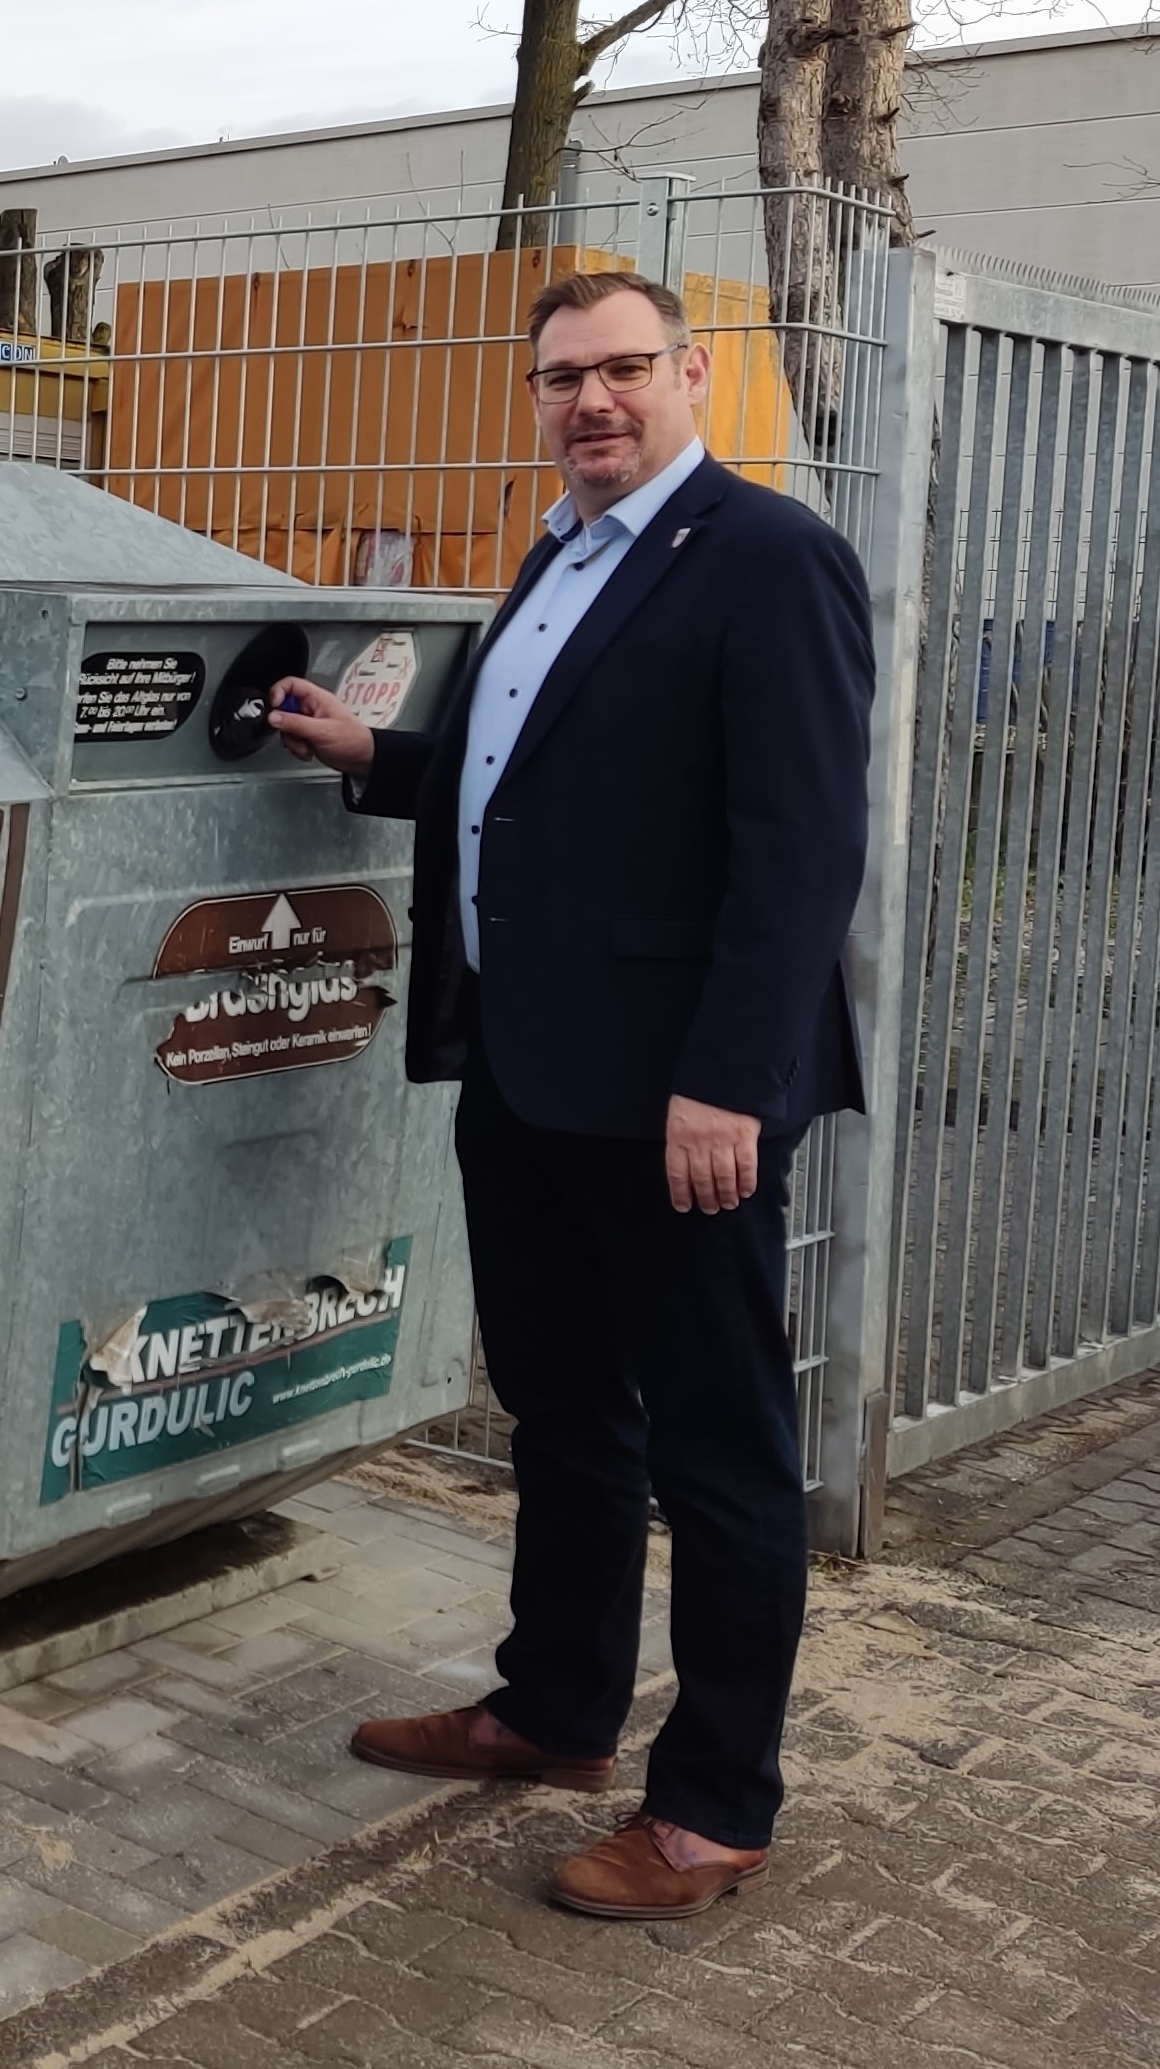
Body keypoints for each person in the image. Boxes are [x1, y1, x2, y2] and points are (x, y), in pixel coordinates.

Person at [262, 267, 871, 1921]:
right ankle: (554, 1709)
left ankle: (716, 1807)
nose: (591, 402)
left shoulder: (769, 559)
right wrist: (372, 763)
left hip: (681, 1103)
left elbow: (802, 853)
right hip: (527, 1076)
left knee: (724, 1453)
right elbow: (521, 783)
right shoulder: (557, 550)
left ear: (692, 374)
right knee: (567, 1416)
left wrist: (730, 1084)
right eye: (560, 379)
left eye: (621, 371)